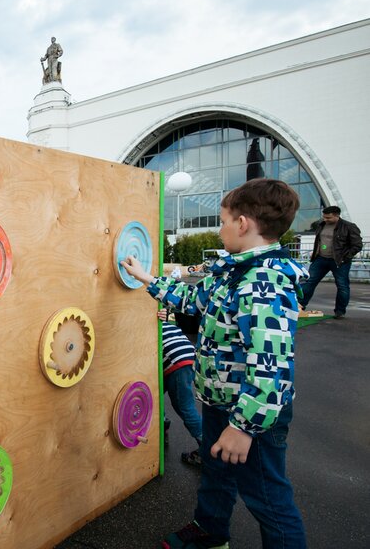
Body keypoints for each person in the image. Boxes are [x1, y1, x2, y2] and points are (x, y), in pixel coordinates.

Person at [122, 178, 308, 549]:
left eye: (222, 222)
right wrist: (147, 279)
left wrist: (243, 427)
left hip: (251, 415)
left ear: (242, 224)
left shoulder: (262, 283)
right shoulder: (233, 272)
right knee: (216, 473)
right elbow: (193, 300)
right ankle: (210, 532)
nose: (219, 229)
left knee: (268, 497)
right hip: (221, 402)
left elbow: (270, 365)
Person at [300, 205, 362, 318]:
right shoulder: (321, 224)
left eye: (328, 218)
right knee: (309, 281)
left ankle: (340, 311)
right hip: (320, 258)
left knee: (342, 285)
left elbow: (357, 245)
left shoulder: (349, 227)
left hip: (339, 261)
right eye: (324, 217)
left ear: (337, 216)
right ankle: (300, 306)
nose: (325, 219)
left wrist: (345, 257)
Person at [158, 308, 202, 466]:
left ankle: (207, 449)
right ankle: (162, 425)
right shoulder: (165, 323)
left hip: (176, 362)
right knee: (155, 395)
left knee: (184, 406)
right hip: (190, 357)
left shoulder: (146, 328)